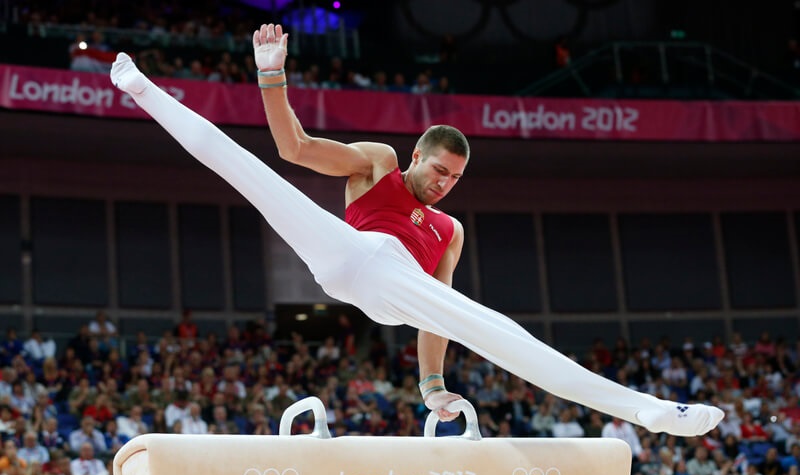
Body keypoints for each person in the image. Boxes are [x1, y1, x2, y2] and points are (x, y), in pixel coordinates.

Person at [108, 24, 723, 438]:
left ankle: (651, 411)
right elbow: (292, 148)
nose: (445, 184)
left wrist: (432, 387)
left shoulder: (451, 230)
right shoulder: (376, 162)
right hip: (348, 251)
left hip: (396, 291)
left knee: (501, 333)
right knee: (248, 172)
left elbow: (439, 317)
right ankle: (140, 88)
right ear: (415, 157)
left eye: (456, 177)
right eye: (438, 170)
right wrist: (272, 74)